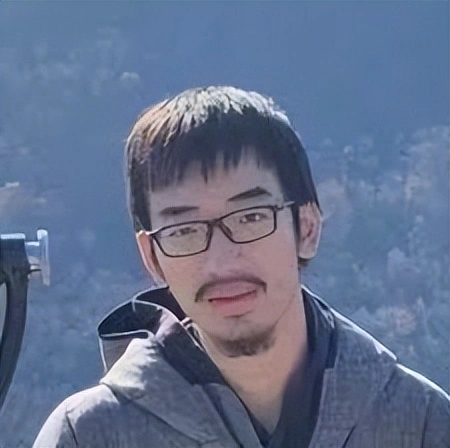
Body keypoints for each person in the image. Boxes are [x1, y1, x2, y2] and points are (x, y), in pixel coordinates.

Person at [34, 86, 449, 448]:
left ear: (306, 227)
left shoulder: (421, 424)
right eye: (184, 230)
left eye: (250, 217)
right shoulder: (89, 435)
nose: (221, 260)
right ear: (152, 256)